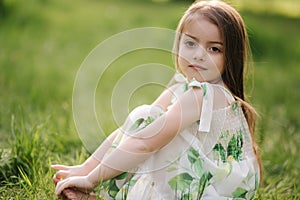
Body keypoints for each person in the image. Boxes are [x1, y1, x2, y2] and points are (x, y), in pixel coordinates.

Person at [51, 0, 262, 199]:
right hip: (210, 177)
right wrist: (86, 168)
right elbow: (136, 127)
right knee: (147, 115)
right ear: (178, 43)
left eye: (214, 49)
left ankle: (100, 190)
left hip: (219, 190)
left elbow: (146, 143)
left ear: (231, 56)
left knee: (157, 134)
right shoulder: (183, 84)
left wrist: (91, 179)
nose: (199, 55)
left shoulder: (205, 95)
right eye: (190, 43)